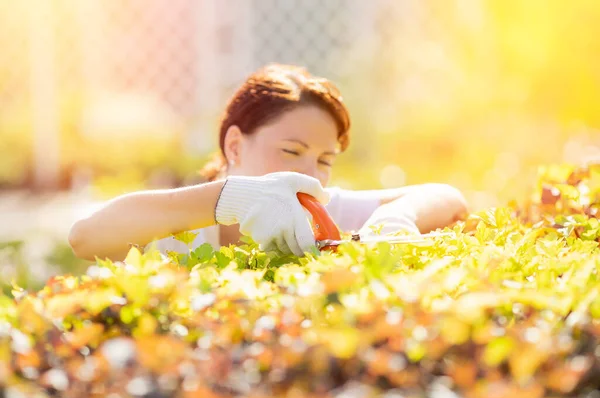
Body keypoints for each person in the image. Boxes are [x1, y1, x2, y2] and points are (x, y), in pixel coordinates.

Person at [68, 64, 468, 261]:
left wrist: (397, 217)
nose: (310, 174)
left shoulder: (324, 213)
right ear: (235, 146)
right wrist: (233, 200)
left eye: (325, 159)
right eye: (291, 152)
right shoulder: (177, 226)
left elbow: (446, 197)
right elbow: (85, 237)